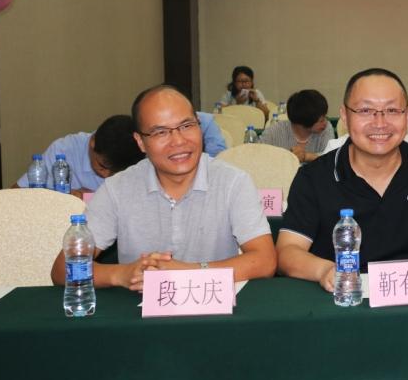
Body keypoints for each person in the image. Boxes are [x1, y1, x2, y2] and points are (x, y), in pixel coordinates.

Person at [50, 85, 277, 291]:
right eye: (160, 132)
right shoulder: (117, 189)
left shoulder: (233, 182)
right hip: (139, 313)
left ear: (199, 126)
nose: (178, 141)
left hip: (215, 310)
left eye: (186, 126)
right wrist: (122, 274)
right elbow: (63, 269)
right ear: (140, 142)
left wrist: (189, 272)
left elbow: (265, 261)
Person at [276, 68, 408, 291]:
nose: (380, 123)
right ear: (344, 116)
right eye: (365, 110)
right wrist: (324, 270)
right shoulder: (314, 177)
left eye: (392, 110)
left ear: (407, 116)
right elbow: (287, 251)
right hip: (342, 295)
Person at [17, 115, 145, 196]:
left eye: (116, 172)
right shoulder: (63, 151)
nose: (106, 175)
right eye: (102, 166)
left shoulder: (145, 160)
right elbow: (17, 193)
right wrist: (61, 196)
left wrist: (89, 198)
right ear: (92, 143)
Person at [259, 89, 335, 163]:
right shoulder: (275, 131)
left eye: (325, 117)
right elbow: (257, 154)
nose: (325, 122)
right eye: (321, 120)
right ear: (304, 121)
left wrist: (306, 156)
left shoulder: (326, 129)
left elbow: (332, 159)